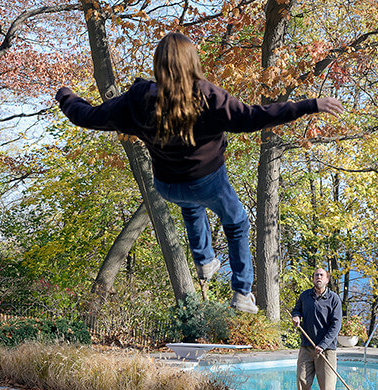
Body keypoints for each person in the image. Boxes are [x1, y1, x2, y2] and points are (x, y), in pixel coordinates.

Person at [56, 32, 343, 314]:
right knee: (237, 223)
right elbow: (254, 116)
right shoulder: (207, 96)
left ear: (158, 64)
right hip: (208, 182)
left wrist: (66, 96)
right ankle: (242, 292)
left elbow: (88, 116)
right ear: (192, 61)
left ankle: (205, 261)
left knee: (191, 206)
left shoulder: (138, 99)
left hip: (167, 185)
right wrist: (308, 105)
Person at [290, 267, 342, 390]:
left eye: (321, 275)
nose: (318, 277)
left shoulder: (334, 299)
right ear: (313, 278)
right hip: (306, 346)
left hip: (327, 349)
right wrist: (296, 316)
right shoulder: (305, 296)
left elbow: (336, 325)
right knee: (302, 380)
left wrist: (323, 345)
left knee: (327, 384)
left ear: (327, 280)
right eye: (316, 275)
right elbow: (296, 309)